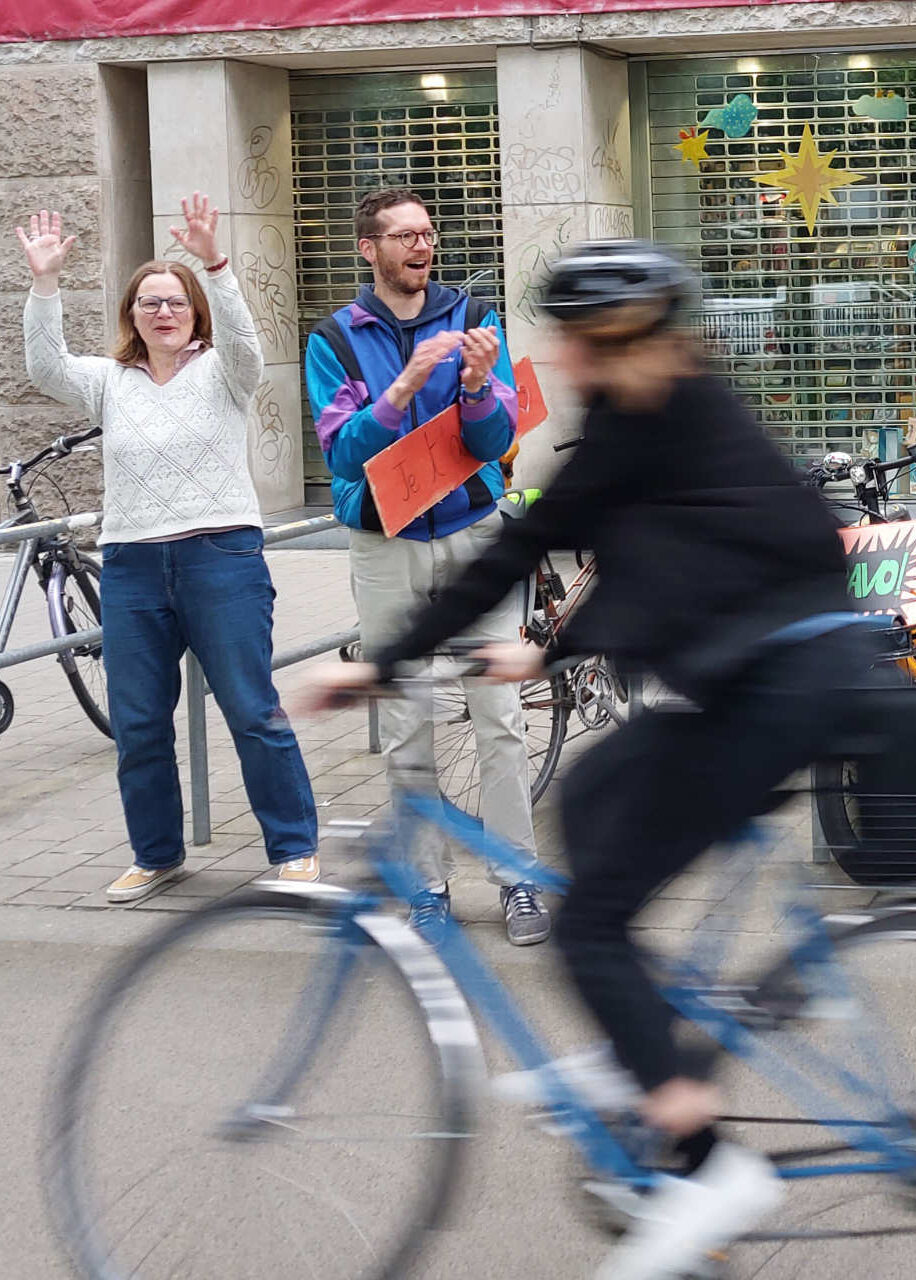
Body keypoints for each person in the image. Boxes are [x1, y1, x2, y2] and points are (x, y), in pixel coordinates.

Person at [300, 239, 866, 1277]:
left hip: (782, 687)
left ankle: (703, 1165)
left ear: (617, 338)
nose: (556, 352)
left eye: (573, 333)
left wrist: (384, 661)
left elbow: (539, 541)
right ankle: (634, 1050)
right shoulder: (648, 411)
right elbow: (627, 543)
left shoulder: (663, 413)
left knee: (590, 919)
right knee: (592, 797)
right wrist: (550, 643)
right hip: (762, 672)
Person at [18, 195, 321, 900]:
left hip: (221, 557)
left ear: (194, 310)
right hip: (132, 565)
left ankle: (295, 846)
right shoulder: (109, 383)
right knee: (140, 723)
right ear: (131, 315)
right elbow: (44, 367)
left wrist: (215, 263)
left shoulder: (224, 373)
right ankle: (157, 854)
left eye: (175, 301)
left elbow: (250, 343)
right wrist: (44, 283)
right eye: (149, 302)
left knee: (250, 707)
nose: (162, 312)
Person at [304, 188, 547, 946]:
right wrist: (404, 388)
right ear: (367, 249)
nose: (422, 246)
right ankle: (429, 886)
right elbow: (343, 453)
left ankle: (517, 881)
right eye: (404, 235)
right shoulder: (335, 340)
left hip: (472, 532)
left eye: (428, 233)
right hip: (385, 544)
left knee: (499, 716)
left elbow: (497, 438)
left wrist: (476, 386)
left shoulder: (474, 318)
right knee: (406, 718)